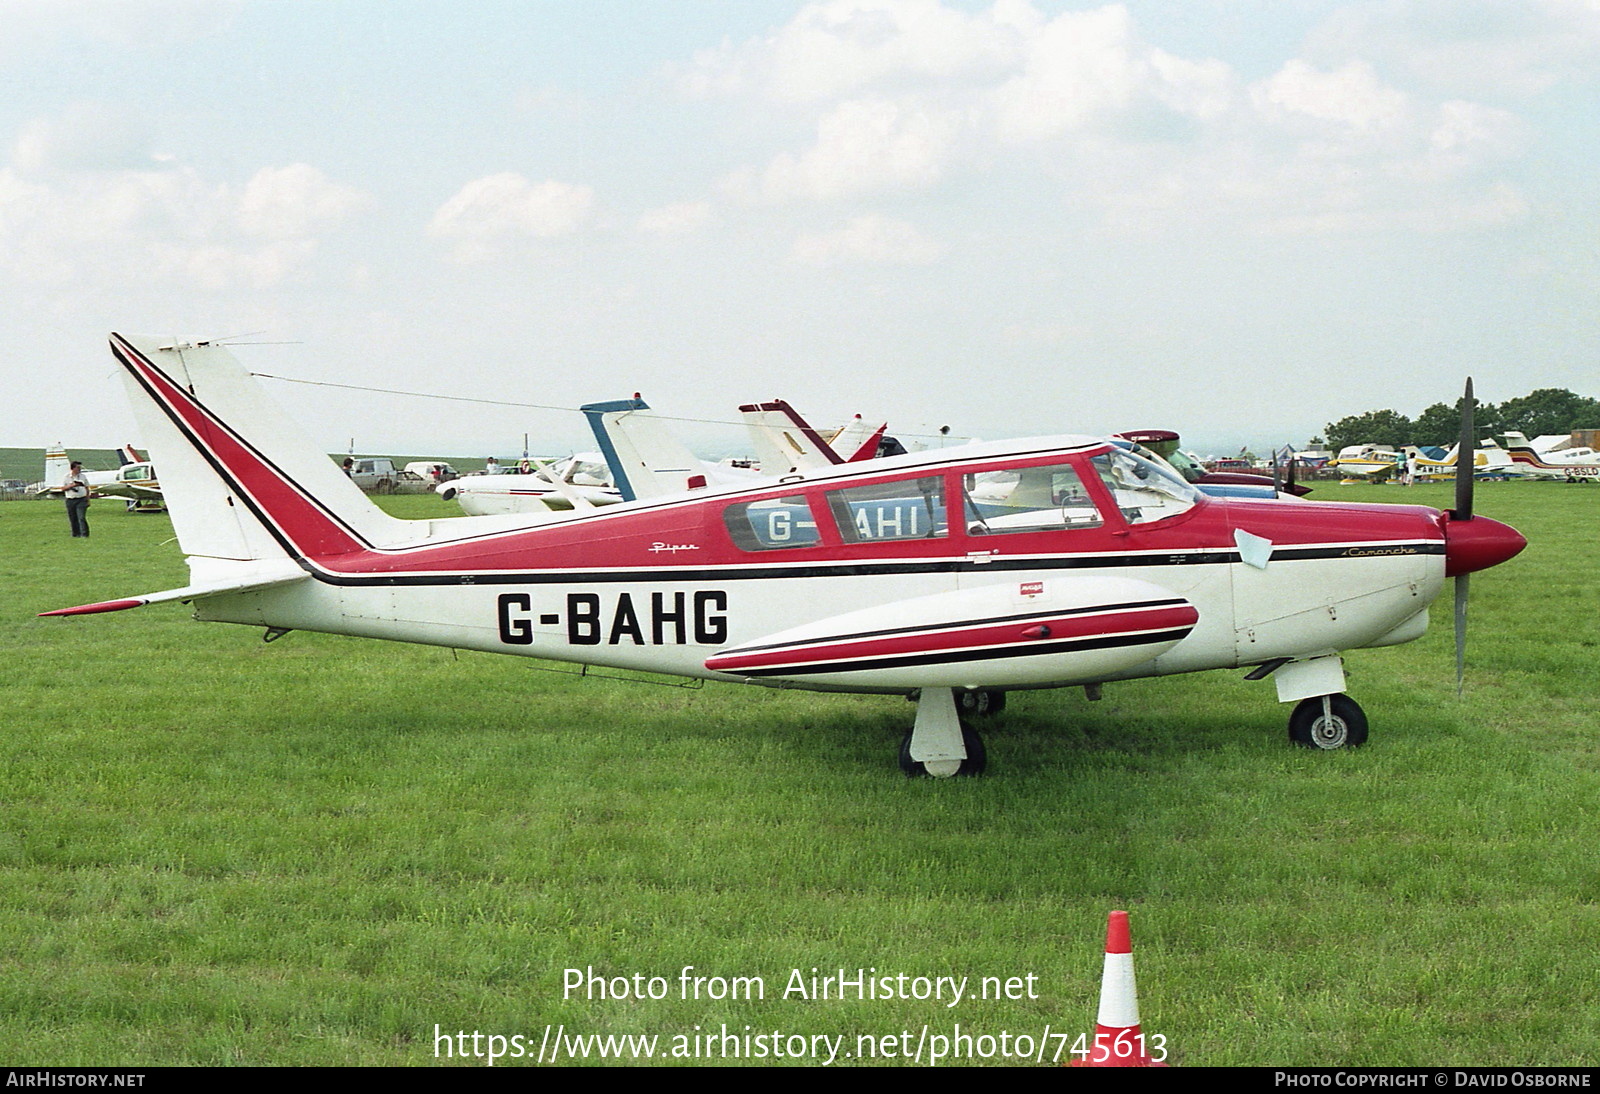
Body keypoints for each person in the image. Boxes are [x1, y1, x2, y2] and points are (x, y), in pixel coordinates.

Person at [64, 460, 90, 538]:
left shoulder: (83, 476)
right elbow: (63, 488)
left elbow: (87, 488)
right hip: (70, 499)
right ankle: (75, 533)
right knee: (73, 518)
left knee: (81, 517)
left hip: (81, 499)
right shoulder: (66, 477)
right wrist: (72, 486)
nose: (79, 469)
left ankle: (84, 534)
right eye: (78, 467)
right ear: (73, 468)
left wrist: (88, 499)